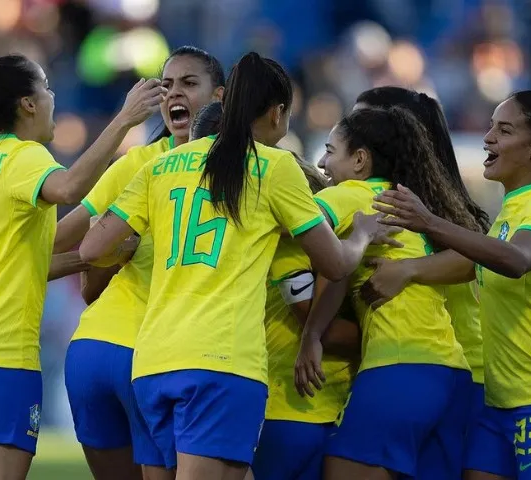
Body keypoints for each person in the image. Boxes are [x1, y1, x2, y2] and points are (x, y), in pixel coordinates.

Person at [78, 52, 394, 480]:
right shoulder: (273, 166)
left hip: (152, 363)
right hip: (223, 362)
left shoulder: (162, 164)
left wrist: (134, 245)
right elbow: (335, 265)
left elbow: (91, 250)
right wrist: (360, 234)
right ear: (278, 113)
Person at [0, 52, 165, 480]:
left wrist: (100, 255)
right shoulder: (24, 156)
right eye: (47, 88)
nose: (53, 97)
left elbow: (20, 261)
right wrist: (123, 121)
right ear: (28, 104)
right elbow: (69, 187)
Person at [373, 90, 531, 480]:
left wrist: (430, 223)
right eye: (490, 126)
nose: (488, 137)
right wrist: (409, 270)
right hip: (500, 399)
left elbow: (516, 260)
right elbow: (478, 262)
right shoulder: (513, 206)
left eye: (503, 130)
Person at [59, 47, 225, 480]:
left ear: (220, 96)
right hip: (162, 359)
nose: (175, 93)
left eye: (189, 83)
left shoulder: (138, 164)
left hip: (91, 352)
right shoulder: (248, 170)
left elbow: (83, 272)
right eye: (167, 85)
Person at [294, 106, 478, 480]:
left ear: (360, 160)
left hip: (398, 367)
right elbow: (341, 270)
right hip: (451, 372)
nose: (322, 162)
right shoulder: (406, 203)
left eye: (330, 150)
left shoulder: (354, 194)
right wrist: (313, 332)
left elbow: (294, 218)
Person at [354, 86, 491, 475]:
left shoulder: (423, 202)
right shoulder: (403, 196)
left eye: (361, 120)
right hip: (442, 373)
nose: (349, 129)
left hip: (461, 372)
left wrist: (407, 270)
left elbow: (473, 259)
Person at [251, 152, 360, 480]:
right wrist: (385, 342)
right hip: (293, 407)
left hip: (312, 408)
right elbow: (313, 321)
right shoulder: (289, 251)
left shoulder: (305, 244)